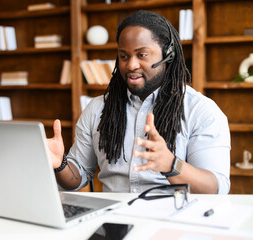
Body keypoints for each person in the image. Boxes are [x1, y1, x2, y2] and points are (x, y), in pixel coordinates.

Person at [47, 10, 230, 194]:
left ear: (168, 54)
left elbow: (216, 187)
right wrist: (60, 164)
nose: (131, 65)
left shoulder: (200, 111)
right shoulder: (97, 109)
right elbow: (76, 178)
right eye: (124, 56)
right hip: (114, 218)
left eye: (142, 55)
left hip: (171, 219)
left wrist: (171, 164)